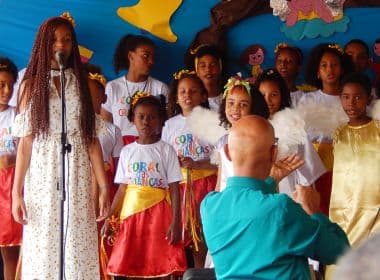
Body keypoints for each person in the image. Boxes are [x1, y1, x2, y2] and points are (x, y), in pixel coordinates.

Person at [11, 17, 110, 279]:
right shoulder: (30, 87)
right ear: (44, 44)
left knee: (77, 242)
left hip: (77, 174)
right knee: (44, 244)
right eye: (55, 39)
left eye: (67, 39)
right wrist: (16, 193)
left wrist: (102, 186)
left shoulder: (84, 85)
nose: (61, 45)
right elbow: (25, 143)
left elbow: (91, 140)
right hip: (42, 176)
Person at [201, 115, 350, 280]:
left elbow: (252, 211)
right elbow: (339, 251)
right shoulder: (281, 208)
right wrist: (314, 211)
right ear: (274, 153)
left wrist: (271, 181)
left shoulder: (209, 205)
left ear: (227, 152)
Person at [104, 93, 187, 278]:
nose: (146, 122)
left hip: (159, 214)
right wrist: (110, 217)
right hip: (131, 215)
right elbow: (122, 189)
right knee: (132, 260)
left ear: (160, 121)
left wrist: (176, 222)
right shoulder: (127, 151)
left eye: (152, 117)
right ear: (133, 118)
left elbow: (174, 188)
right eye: (141, 116)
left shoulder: (166, 150)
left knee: (158, 260)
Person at [325, 72, 380, 279]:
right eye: (346, 97)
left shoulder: (378, 129)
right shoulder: (338, 133)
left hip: (375, 212)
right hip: (342, 214)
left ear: (369, 98)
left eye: (358, 97)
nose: (351, 103)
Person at [162, 70, 216, 268]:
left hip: (206, 187)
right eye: (183, 91)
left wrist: (198, 164)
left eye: (193, 91)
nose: (187, 95)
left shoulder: (213, 122)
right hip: (181, 189)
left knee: (201, 238)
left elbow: (221, 159)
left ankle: (202, 272)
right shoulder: (169, 125)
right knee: (181, 239)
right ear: (176, 97)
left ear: (203, 95)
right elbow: (164, 159)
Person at [298, 43, 354, 215]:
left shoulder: (350, 98)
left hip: (347, 164)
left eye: (334, 65)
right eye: (324, 65)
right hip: (316, 165)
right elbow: (300, 137)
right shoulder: (307, 100)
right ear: (317, 71)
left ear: (342, 69)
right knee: (320, 211)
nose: (330, 70)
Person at [256, 68, 325, 196]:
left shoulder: (293, 124)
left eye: (274, 95)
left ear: (282, 95)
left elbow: (307, 165)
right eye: (262, 95)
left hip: (287, 185)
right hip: (257, 186)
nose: (268, 100)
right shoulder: (251, 125)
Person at [100, 34, 169, 144]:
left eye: (153, 57)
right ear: (131, 56)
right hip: (119, 150)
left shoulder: (160, 88)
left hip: (150, 147)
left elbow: (166, 127)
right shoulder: (113, 87)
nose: (151, 61)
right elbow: (105, 126)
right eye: (145, 56)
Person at [216, 74, 269, 191]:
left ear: (254, 108)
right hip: (228, 201)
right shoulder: (222, 142)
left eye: (243, 105)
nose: (235, 109)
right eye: (230, 103)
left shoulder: (260, 140)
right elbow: (220, 181)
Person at [0, 57, 22, 280]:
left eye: (10, 85)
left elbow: (28, 151)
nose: (6, 91)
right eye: (1, 85)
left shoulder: (17, 115)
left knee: (11, 252)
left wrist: (12, 158)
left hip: (11, 187)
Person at [188, 45, 225, 112]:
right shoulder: (191, 100)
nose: (208, 69)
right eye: (203, 66)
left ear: (220, 68)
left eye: (213, 65)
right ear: (197, 71)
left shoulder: (228, 99)